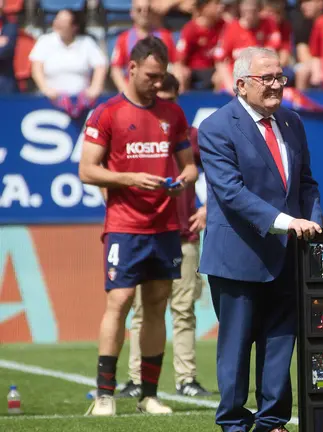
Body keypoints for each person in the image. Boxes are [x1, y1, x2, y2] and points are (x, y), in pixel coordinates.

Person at [197, 47, 323, 432]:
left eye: (279, 77)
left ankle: (272, 422)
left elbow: (305, 182)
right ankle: (234, 424)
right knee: (235, 348)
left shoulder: (292, 122)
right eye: (265, 78)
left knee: (280, 344)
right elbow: (231, 193)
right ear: (240, 84)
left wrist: (313, 224)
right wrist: (287, 222)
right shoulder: (215, 127)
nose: (275, 85)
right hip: (238, 254)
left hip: (288, 254)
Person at [78, 36, 198, 416]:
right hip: (125, 225)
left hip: (165, 226)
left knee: (157, 305)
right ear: (131, 69)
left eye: (161, 76)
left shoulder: (173, 115)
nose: (156, 83)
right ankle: (105, 395)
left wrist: (185, 180)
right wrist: (130, 179)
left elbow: (190, 164)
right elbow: (87, 170)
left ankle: (149, 395)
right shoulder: (106, 112)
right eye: (150, 75)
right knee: (119, 301)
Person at [116, 73, 212, 399]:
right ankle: (136, 380)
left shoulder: (190, 135)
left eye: (169, 100)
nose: (163, 106)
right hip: (148, 233)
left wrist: (209, 208)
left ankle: (186, 378)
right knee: (142, 311)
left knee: (183, 310)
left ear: (177, 98)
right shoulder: (135, 131)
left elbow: (222, 171)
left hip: (184, 235)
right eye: (160, 99)